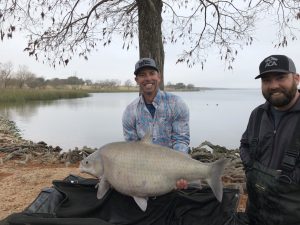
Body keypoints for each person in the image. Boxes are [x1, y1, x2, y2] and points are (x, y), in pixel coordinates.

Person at [239, 54, 300, 225]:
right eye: (266, 80)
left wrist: (288, 178)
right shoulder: (257, 114)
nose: (273, 86)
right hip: (256, 211)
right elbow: (244, 144)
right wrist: (250, 166)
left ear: (296, 78)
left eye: (280, 77)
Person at [122, 58, 190, 189]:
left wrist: (181, 170)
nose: (148, 78)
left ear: (159, 77)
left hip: (173, 166)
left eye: (151, 73)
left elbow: (181, 140)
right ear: (136, 80)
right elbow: (132, 148)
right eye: (142, 75)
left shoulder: (177, 104)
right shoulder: (129, 112)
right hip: (144, 171)